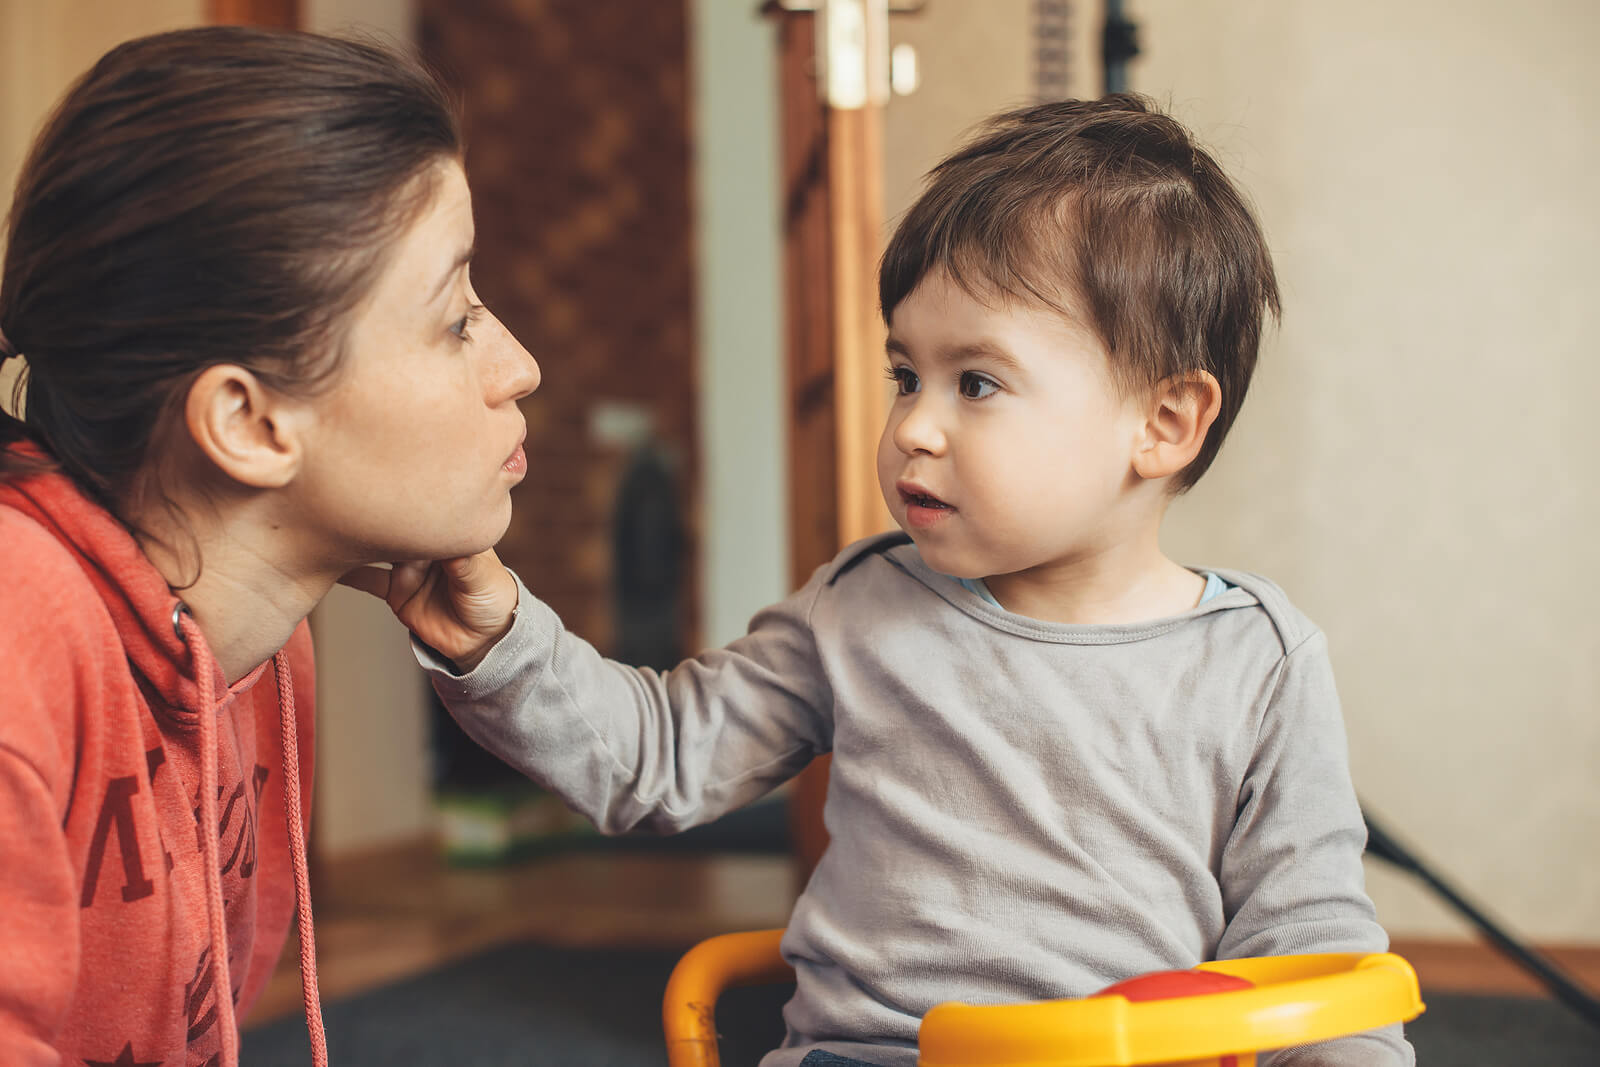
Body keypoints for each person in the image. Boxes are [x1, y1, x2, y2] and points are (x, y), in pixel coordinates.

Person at [356, 96, 1413, 1065]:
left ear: (1163, 423)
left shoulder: (1259, 662)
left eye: (977, 381)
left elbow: (1314, 949)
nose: (912, 423)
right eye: (906, 373)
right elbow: (656, 757)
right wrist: (500, 642)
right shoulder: (860, 604)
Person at [0, 27, 539, 1067]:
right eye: (455, 317)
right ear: (250, 424)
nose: (519, 363)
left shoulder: (258, 650)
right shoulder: (21, 626)